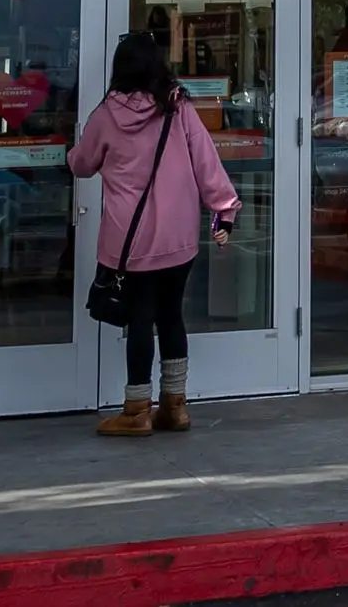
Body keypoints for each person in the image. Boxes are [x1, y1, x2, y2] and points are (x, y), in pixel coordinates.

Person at [67, 30, 240, 435]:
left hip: (129, 240)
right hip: (178, 238)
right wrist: (224, 211)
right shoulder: (178, 108)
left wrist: (69, 152)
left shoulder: (106, 115)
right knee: (172, 316)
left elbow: (82, 164)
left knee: (140, 322)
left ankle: (136, 411)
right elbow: (206, 163)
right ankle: (175, 406)